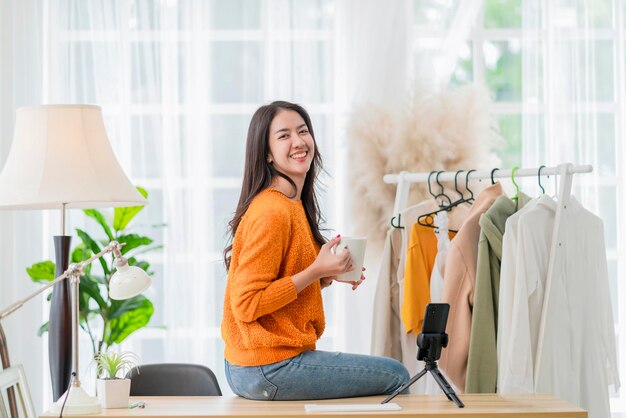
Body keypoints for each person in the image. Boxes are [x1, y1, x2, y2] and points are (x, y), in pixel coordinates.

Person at [221, 100, 409, 401]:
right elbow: (246, 304)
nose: (298, 141)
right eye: (284, 135)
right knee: (396, 375)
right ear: (267, 153)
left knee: (391, 374)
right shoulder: (271, 211)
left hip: (258, 365)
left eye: (303, 131)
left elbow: (285, 276)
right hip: (266, 367)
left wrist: (329, 273)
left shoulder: (290, 204)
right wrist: (316, 271)